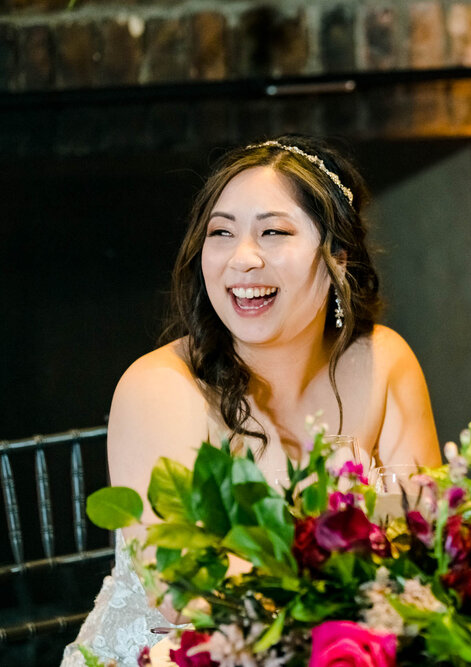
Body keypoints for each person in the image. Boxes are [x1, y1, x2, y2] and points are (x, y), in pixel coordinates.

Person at [63, 135, 440, 666]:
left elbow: (432, 544)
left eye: (274, 232)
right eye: (221, 232)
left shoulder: (383, 364)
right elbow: (179, 591)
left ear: (338, 256)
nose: (242, 259)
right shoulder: (161, 388)